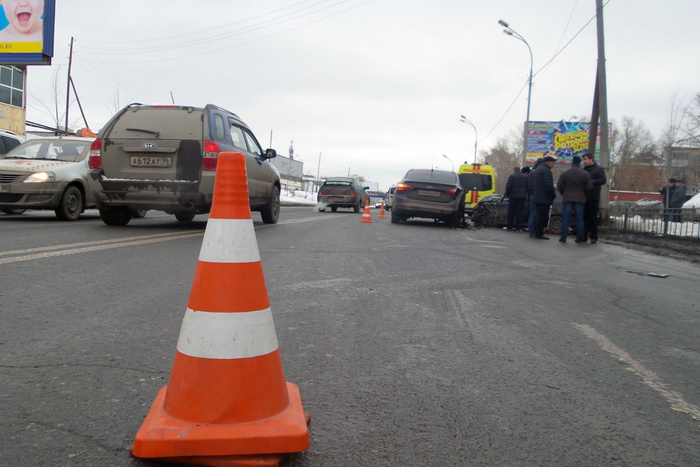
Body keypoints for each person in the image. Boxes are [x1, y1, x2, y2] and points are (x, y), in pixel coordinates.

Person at [556, 155, 592, 243]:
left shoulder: (565, 173)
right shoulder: (585, 174)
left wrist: (564, 193)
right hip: (580, 199)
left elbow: (559, 185)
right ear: (580, 163)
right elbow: (589, 187)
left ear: (572, 162)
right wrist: (584, 194)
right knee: (579, 218)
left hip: (567, 198)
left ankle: (563, 237)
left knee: (565, 218)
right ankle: (579, 237)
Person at [528, 155, 557, 239]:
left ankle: (537, 232)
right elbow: (548, 185)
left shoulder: (537, 170)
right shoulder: (546, 171)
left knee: (538, 215)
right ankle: (539, 234)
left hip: (537, 196)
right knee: (542, 216)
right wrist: (553, 194)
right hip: (544, 198)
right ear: (548, 162)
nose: (553, 165)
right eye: (553, 163)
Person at [582, 152, 607, 244]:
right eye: (583, 160)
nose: (584, 161)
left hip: (594, 197)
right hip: (584, 197)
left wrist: (591, 182)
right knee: (584, 217)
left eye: (585, 159)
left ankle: (593, 236)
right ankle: (583, 236)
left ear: (591, 159)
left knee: (593, 218)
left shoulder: (598, 169)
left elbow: (603, 180)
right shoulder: (583, 170)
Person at [504, 166, 528, 231]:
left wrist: (507, 194)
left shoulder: (512, 176)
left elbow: (508, 186)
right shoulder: (525, 177)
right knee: (520, 212)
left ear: (514, 170)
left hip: (513, 196)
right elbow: (528, 186)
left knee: (511, 212)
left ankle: (510, 226)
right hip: (522, 197)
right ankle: (518, 227)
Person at [527, 158, 544, 237]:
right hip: (539, 195)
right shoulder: (541, 171)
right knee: (538, 213)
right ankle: (537, 231)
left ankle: (531, 231)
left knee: (532, 213)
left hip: (532, 195)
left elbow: (529, 185)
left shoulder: (531, 172)